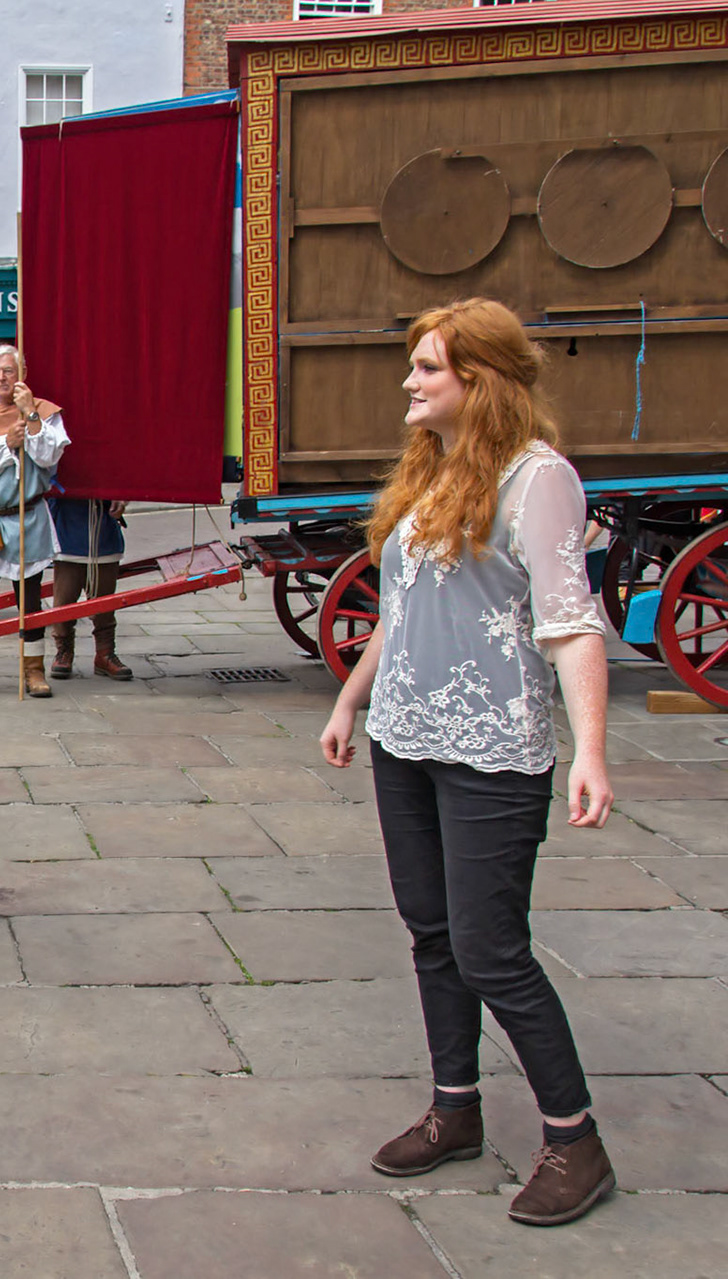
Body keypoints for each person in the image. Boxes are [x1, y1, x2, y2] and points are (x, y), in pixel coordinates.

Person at [320, 298, 615, 1228]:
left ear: (480, 379)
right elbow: (401, 610)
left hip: (493, 748)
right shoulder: (431, 474)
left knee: (492, 947)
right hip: (403, 740)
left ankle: (576, 1138)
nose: (411, 381)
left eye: (430, 367)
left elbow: (571, 626)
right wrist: (349, 697)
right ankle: (456, 1109)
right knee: (432, 932)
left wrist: (592, 752)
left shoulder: (540, 480)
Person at [0, 345, 69, 698]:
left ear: (23, 374)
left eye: (10, 371)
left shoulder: (44, 413)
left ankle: (33, 671)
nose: (3, 378)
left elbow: (49, 456)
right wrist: (6, 443)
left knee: (29, 604)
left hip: (27, 518)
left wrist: (30, 416)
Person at [47, 496, 130, 680]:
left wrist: (122, 498)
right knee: (64, 601)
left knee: (104, 603)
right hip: (67, 525)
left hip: (103, 527)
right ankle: (64, 652)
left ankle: (105, 654)